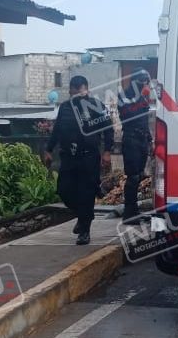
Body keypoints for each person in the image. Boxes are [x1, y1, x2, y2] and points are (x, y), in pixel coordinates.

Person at [43, 75, 114, 244]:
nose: (75, 95)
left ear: (85, 90)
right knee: (64, 190)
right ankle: (84, 216)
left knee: (86, 193)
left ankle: (84, 231)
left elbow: (109, 130)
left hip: (89, 157)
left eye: (78, 91)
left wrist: (107, 152)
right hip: (69, 158)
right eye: (72, 92)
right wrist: (48, 150)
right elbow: (57, 130)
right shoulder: (65, 108)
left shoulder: (97, 106)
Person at [118, 69, 153, 223]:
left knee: (139, 176)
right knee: (132, 177)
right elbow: (129, 115)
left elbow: (144, 120)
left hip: (142, 139)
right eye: (143, 81)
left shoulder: (143, 96)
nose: (145, 84)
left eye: (147, 81)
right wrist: (140, 97)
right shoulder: (123, 95)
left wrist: (150, 140)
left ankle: (135, 212)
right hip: (131, 139)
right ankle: (128, 214)